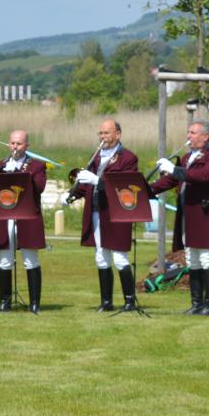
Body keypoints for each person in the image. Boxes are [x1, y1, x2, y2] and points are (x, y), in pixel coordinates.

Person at [150, 120, 209, 316]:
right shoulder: (187, 157)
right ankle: (196, 304)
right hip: (189, 214)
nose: (189, 136)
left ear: (205, 136)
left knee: (206, 257)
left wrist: (174, 169)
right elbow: (171, 181)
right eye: (188, 133)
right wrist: (144, 189)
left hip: (206, 213)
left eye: (193, 133)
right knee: (192, 259)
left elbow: (204, 175)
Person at [66, 118, 139, 312]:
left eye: (107, 133)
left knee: (120, 258)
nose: (103, 137)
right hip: (96, 211)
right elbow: (85, 183)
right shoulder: (96, 155)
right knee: (101, 256)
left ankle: (130, 301)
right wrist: (72, 193)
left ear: (118, 134)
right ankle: (106, 302)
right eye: (101, 133)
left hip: (116, 213)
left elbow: (123, 187)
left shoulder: (128, 158)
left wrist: (97, 180)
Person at [0, 130, 46, 313]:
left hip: (27, 218)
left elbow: (39, 188)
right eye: (12, 143)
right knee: (5, 261)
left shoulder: (37, 166)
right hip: (5, 218)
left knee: (30, 260)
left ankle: (34, 304)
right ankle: (5, 303)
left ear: (27, 146)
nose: (15, 147)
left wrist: (17, 174)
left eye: (19, 144)